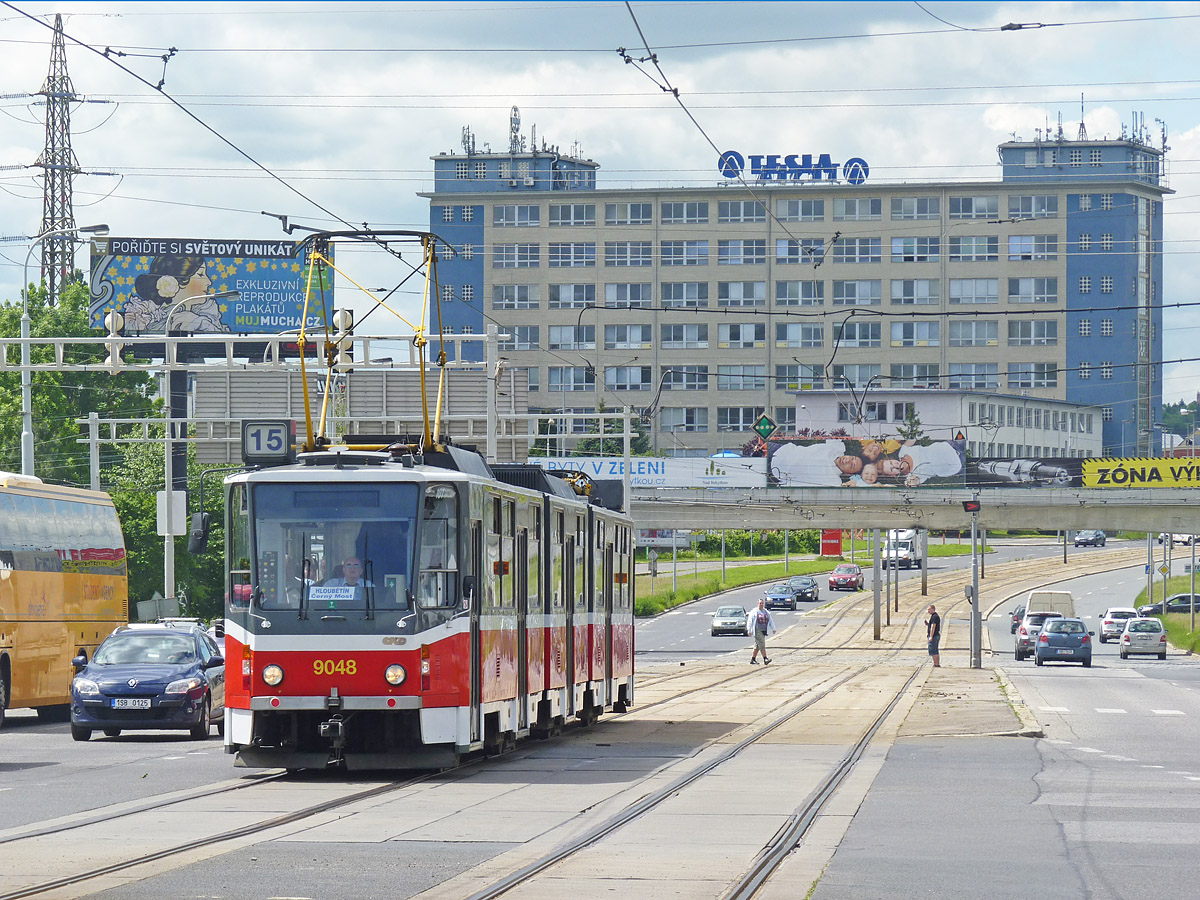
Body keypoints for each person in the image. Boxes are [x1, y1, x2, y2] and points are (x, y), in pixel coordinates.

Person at [124, 254, 230, 334]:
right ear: (177, 281)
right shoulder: (150, 321)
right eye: (201, 274)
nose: (209, 282)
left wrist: (201, 323)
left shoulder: (208, 313)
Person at [745, 598, 777, 665]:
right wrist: (749, 630)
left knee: (757, 646)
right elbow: (750, 621)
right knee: (762, 644)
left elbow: (770, 621)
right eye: (760, 603)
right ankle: (765, 658)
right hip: (757, 630)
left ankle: (753, 659)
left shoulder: (766, 612)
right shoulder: (754, 612)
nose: (761, 604)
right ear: (758, 604)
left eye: (762, 603)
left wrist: (773, 628)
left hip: (764, 631)